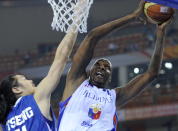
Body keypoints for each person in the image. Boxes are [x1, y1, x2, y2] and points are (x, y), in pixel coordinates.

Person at [57, 0, 172, 131]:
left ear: (110, 78)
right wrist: (132, 17)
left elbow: (151, 74)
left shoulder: (114, 96)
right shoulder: (76, 82)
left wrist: (161, 34)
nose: (102, 67)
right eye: (98, 65)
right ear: (89, 71)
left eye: (107, 68)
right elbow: (92, 37)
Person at [0, 4, 83, 131]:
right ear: (16, 89)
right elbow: (61, 58)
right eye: (24, 79)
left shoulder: (4, 122)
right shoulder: (36, 97)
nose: (30, 80)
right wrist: (77, 18)